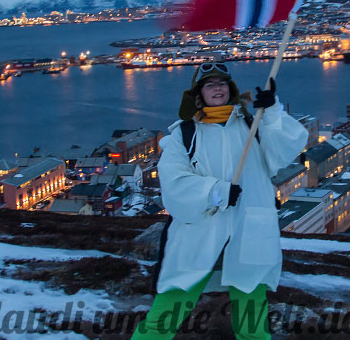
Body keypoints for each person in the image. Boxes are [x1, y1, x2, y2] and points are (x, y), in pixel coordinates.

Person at [132, 62, 308, 340]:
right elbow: (174, 181)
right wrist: (217, 191)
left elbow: (284, 151)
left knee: (253, 319)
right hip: (200, 232)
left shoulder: (253, 125)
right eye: (210, 84)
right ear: (198, 94)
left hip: (249, 231)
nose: (217, 88)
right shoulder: (183, 135)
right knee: (168, 310)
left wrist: (272, 110)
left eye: (222, 83)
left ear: (231, 90)